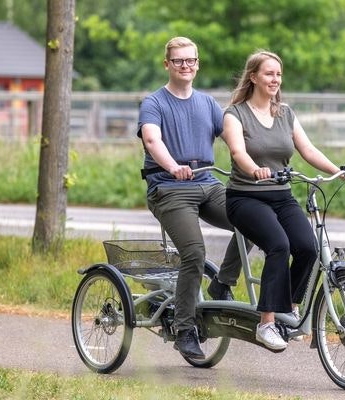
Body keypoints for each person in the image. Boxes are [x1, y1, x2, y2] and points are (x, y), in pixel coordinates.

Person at [221, 50, 345, 350]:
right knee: (278, 245)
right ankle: (266, 323)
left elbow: (307, 149)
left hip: (281, 195)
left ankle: (288, 309)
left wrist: (337, 170)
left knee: (308, 248)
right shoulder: (235, 114)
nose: (275, 79)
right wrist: (254, 170)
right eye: (269, 73)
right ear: (253, 77)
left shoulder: (285, 113)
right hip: (245, 197)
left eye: (278, 74)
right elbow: (237, 152)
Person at [137, 36, 246, 360]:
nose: (186, 66)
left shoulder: (208, 104)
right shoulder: (153, 103)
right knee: (194, 252)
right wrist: (172, 167)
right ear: (167, 64)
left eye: (191, 60)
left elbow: (235, 138)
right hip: (169, 188)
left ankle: (222, 283)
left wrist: (260, 164)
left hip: (208, 183)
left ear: (197, 64)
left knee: (253, 219)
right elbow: (152, 140)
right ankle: (185, 330)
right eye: (179, 61)